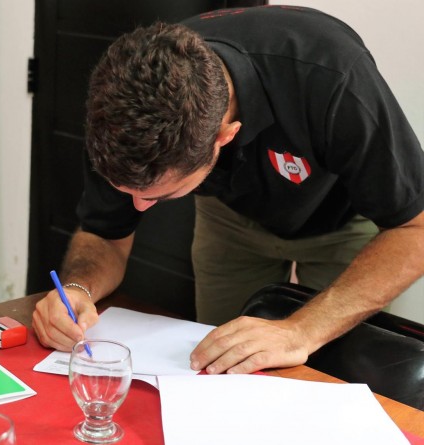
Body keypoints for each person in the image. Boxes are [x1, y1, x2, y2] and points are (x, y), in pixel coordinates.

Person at [33, 6, 424, 375]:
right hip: (230, 217)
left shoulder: (333, 76)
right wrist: (78, 289)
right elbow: (105, 233)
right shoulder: (120, 112)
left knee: (331, 372)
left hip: (341, 220)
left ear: (224, 136)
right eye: (128, 190)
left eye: (159, 196)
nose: (137, 205)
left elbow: (415, 230)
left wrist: (299, 331)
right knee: (215, 362)